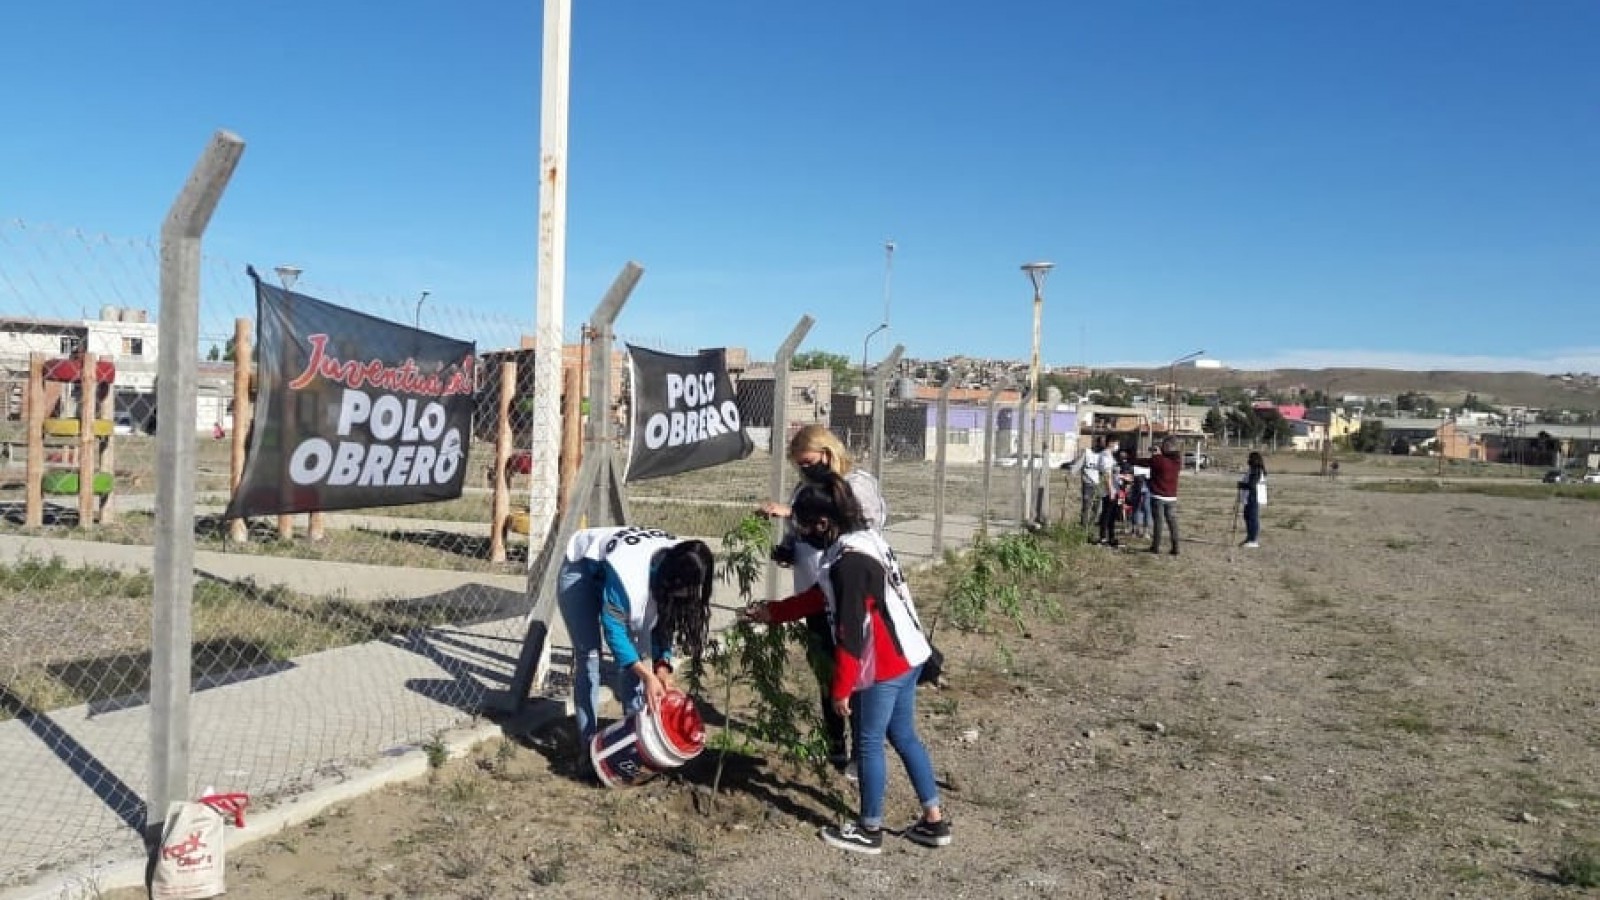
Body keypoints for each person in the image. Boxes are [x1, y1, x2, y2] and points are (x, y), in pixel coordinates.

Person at [744, 474, 948, 854]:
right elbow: (819, 599)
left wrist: (841, 690)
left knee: (869, 742)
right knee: (903, 735)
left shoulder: (848, 563)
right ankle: (934, 821)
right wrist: (771, 612)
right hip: (910, 655)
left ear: (823, 523)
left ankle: (869, 829)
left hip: (884, 663)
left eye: (802, 528)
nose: (800, 536)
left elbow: (851, 633)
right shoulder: (863, 542)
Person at [758, 425, 886, 769]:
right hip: (813, 592)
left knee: (853, 672)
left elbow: (867, 528)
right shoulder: (805, 487)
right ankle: (836, 744)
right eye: (800, 465)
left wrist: (798, 516)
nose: (806, 470)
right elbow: (799, 528)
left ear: (828, 453)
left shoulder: (857, 484)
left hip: (847, 594)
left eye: (810, 462)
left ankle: (863, 750)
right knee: (825, 672)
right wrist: (789, 545)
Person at [556, 526, 715, 761]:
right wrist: (648, 677)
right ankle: (589, 747)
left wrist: (662, 668)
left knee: (635, 662)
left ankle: (635, 739)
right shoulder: (630, 576)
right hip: (581, 572)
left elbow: (664, 620)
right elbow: (614, 632)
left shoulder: (684, 559)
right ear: (671, 580)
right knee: (589, 658)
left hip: (616, 571)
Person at [1139, 438, 1184, 555]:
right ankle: (1176, 547)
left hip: (1158, 496)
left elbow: (1145, 463)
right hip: (1172, 497)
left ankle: (1155, 547)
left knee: (1158, 523)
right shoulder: (1177, 461)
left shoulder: (1159, 460)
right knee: (1172, 523)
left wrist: (1156, 455)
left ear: (1167, 447)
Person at [1070, 438, 1107, 529]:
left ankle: (1090, 526)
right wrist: (1071, 472)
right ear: (1095, 443)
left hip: (1099, 485)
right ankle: (1084, 527)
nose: (1101, 446)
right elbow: (1079, 464)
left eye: (1103, 444)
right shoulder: (1087, 453)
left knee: (1098, 509)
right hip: (1088, 484)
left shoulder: (1104, 455)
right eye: (1099, 444)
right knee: (1086, 507)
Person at [1239, 451, 1267, 548]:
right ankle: (1249, 537)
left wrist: (1242, 485)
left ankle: (1253, 540)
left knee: (1252, 518)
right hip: (1250, 497)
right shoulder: (1252, 469)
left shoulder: (1256, 470)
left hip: (1253, 497)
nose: (1248, 460)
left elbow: (1252, 485)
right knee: (1247, 517)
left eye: (1250, 458)